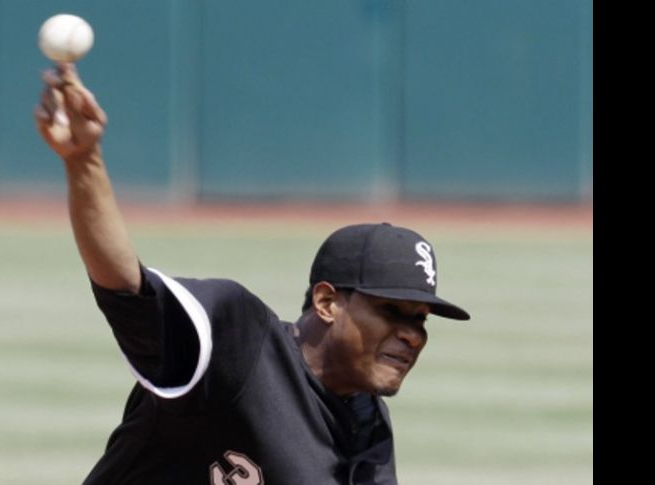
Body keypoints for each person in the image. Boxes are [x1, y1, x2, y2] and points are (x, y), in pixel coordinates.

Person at [35, 63, 470, 485]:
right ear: (327, 302)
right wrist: (84, 160)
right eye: (392, 310)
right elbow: (126, 288)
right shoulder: (236, 343)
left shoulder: (367, 423)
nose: (412, 334)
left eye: (419, 319)